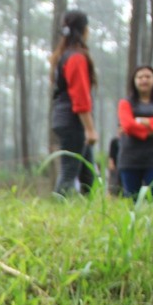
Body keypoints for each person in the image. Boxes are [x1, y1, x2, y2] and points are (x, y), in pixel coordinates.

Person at [50, 10, 98, 197]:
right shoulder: (76, 57)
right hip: (73, 121)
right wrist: (90, 128)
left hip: (65, 118)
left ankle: (90, 213)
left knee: (88, 173)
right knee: (69, 172)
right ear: (84, 29)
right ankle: (57, 210)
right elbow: (80, 96)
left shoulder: (63, 55)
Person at [117, 65, 153, 201]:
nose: (144, 80)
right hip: (129, 159)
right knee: (131, 201)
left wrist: (142, 121)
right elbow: (128, 125)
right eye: (140, 77)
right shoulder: (125, 103)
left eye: (148, 76)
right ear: (134, 81)